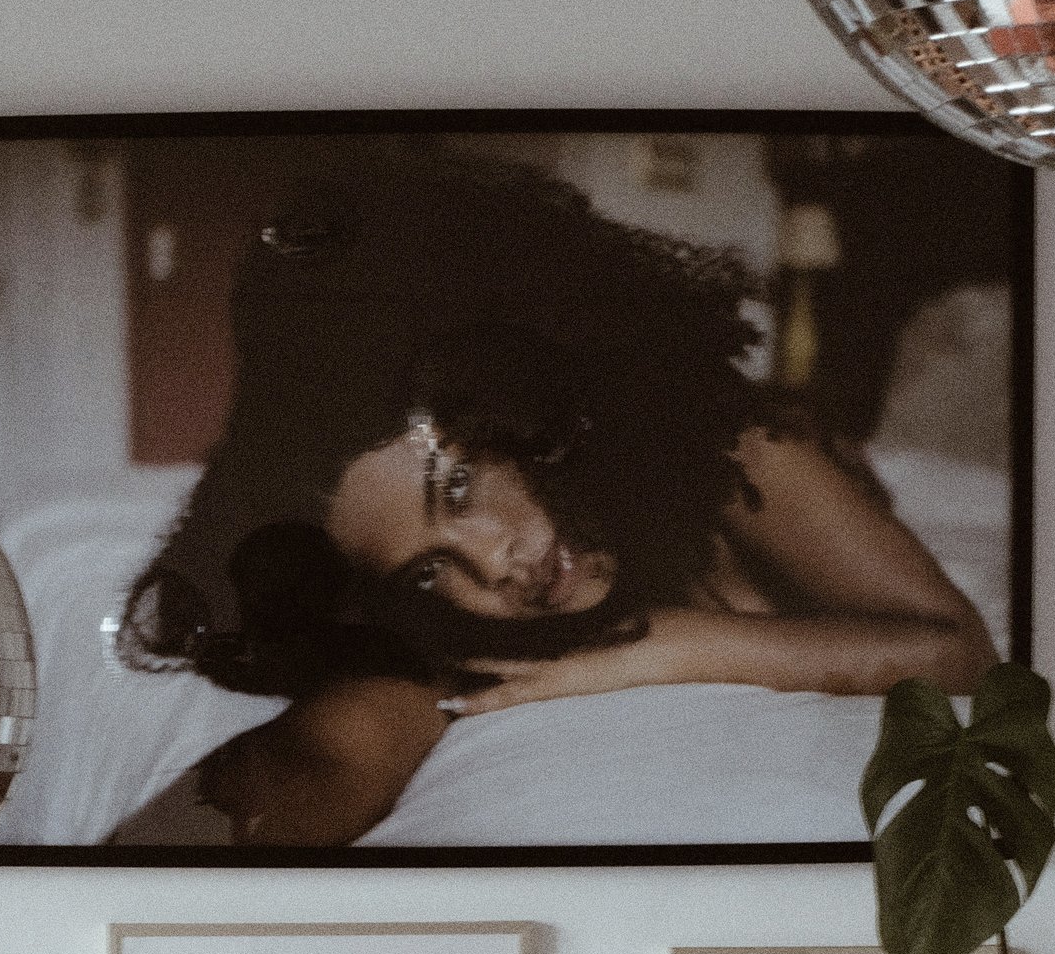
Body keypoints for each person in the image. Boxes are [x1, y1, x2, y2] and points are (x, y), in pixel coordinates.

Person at [115, 152, 996, 848]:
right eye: (430, 568)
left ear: (514, 388)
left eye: (458, 483)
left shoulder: (737, 443)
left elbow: (962, 653)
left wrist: (662, 648)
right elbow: (333, 746)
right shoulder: (472, 634)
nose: (495, 564)